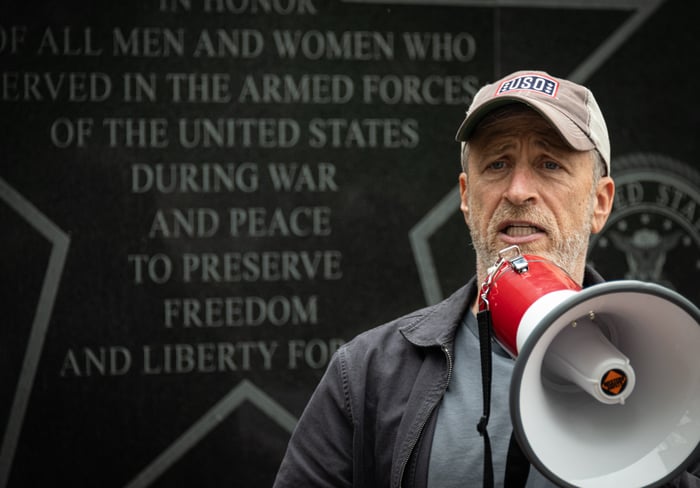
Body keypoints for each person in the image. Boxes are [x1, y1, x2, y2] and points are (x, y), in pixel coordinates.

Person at [272, 70, 700, 487]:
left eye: (549, 163)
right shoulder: (368, 374)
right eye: (497, 164)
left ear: (600, 203)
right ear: (465, 196)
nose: (517, 191)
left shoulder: (678, 373)